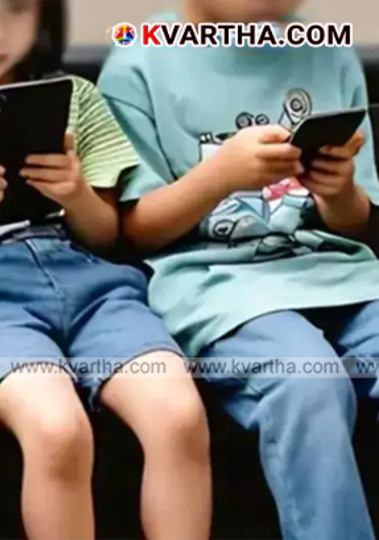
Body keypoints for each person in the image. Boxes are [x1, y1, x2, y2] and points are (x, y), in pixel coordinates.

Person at [0, 1, 211, 538]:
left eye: (16, 9)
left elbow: (107, 235)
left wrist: (75, 194)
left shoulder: (75, 97)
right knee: (57, 430)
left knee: (178, 415)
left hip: (95, 286)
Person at [99, 0, 379, 538]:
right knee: (308, 383)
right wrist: (220, 176)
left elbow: (358, 219)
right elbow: (133, 230)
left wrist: (339, 190)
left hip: (340, 273)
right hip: (218, 287)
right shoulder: (139, 61)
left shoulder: (330, 52)